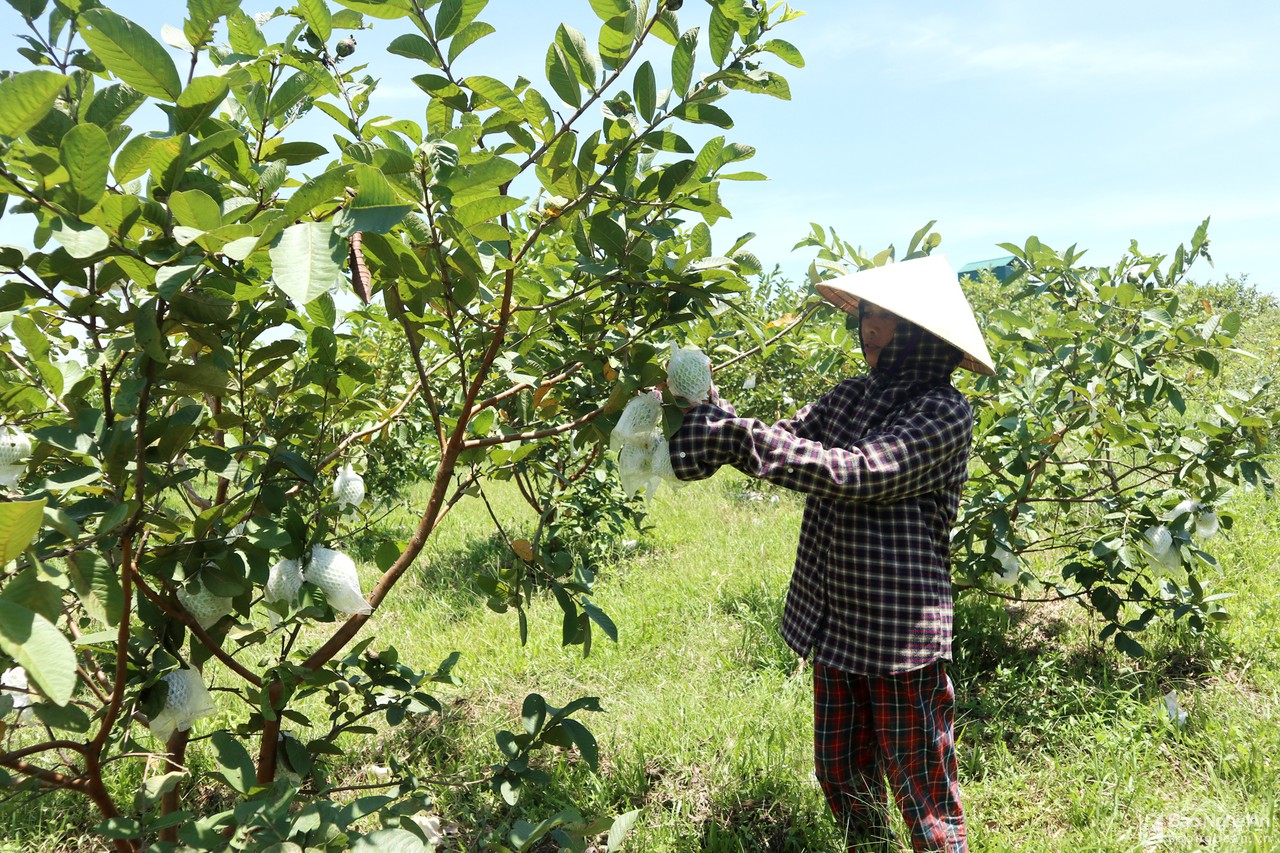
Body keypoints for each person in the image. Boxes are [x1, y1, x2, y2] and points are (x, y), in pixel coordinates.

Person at [668, 255, 996, 853]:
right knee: (839, 771)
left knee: (920, 781)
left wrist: (735, 436)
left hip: (898, 634)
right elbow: (787, 439)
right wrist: (707, 418)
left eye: (885, 319)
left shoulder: (944, 412)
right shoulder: (849, 396)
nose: (868, 328)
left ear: (921, 335)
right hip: (836, 620)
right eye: (867, 315)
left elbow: (861, 472)